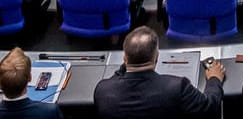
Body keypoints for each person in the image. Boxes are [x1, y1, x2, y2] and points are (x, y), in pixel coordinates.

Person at [93, 27, 226, 118]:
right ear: (156, 58)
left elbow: (116, 78)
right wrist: (214, 79)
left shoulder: (102, 90)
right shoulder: (177, 87)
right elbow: (209, 107)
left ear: (125, 59)